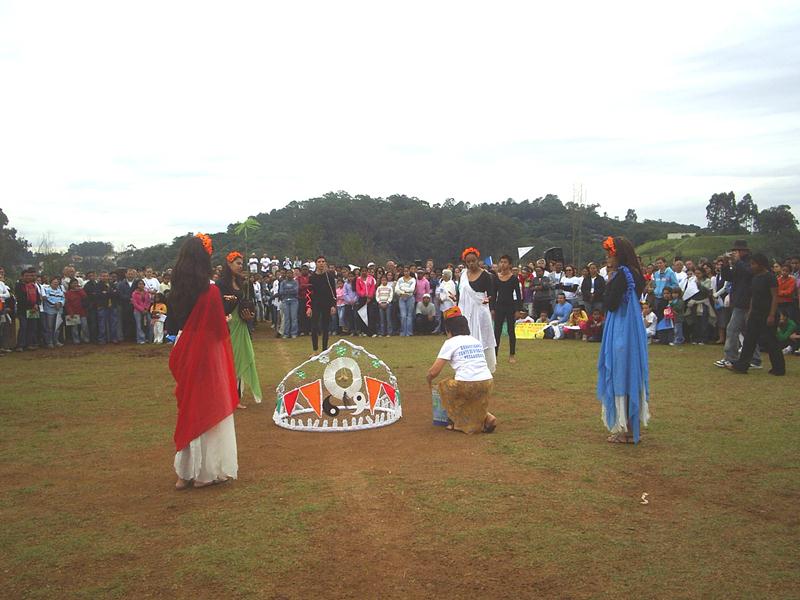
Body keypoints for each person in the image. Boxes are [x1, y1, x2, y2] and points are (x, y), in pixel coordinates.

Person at [167, 234, 239, 490]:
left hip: (185, 347)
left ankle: (184, 472)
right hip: (207, 350)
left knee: (189, 404)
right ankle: (205, 472)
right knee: (209, 405)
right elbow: (218, 330)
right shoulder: (209, 291)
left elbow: (178, 323)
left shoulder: (176, 288)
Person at [597, 236, 649, 444]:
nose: (608, 258)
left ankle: (624, 427)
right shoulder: (636, 274)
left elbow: (610, 303)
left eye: (610, 254)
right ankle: (630, 424)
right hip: (633, 325)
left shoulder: (620, 276)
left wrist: (608, 284)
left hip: (620, 325)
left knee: (619, 370)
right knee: (631, 370)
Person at [426, 306, 497, 434]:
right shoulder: (475, 340)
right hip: (487, 382)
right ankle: (487, 417)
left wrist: (429, 379)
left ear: (449, 329)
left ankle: (455, 422)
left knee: (444, 386)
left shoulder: (450, 342)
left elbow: (434, 372)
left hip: (467, 383)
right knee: (473, 399)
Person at [727, 253, 785, 376]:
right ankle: (742, 366)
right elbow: (753, 297)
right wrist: (750, 312)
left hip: (767, 313)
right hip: (755, 313)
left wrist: (772, 315)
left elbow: (775, 297)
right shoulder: (755, 278)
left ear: (761, 264)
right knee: (749, 340)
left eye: (754, 264)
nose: (751, 266)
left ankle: (779, 368)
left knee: (771, 341)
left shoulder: (770, 277)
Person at [217, 251, 262, 407]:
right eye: (237, 263)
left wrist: (249, 315)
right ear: (229, 264)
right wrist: (228, 301)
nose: (240, 266)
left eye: (241, 264)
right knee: (230, 361)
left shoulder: (242, 282)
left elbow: (246, 303)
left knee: (243, 357)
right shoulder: (221, 284)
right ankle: (226, 396)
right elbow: (218, 304)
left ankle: (236, 397)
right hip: (228, 325)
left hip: (241, 323)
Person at [715, 240, 761, 369]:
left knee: (732, 329)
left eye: (736, 251)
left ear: (744, 251)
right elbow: (729, 277)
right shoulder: (738, 264)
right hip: (739, 300)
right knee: (748, 332)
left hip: (746, 301)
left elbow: (749, 273)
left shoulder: (749, 262)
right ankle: (755, 359)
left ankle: (730, 358)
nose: (734, 253)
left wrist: (737, 262)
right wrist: (724, 265)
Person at [457, 247, 496, 373]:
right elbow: (461, 292)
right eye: (468, 262)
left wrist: (488, 301)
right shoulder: (463, 275)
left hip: (480, 310)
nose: (471, 264)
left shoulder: (486, 275)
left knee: (482, 337)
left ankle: (483, 366)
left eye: (473, 261)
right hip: (466, 311)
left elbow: (491, 294)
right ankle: (468, 364)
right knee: (467, 336)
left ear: (478, 260)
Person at [491, 255, 523, 363]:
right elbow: (493, 294)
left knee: (511, 331)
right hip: (499, 306)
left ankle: (512, 354)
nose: (502, 264)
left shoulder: (514, 278)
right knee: (497, 331)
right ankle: (494, 355)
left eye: (505, 262)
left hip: (510, 307)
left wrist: (518, 309)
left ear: (509, 264)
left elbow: (518, 295)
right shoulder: (496, 277)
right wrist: (492, 308)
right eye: (501, 262)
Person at [305, 255, 337, 353]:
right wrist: (309, 307)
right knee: (314, 327)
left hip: (327, 304)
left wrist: (333, 305)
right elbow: (308, 294)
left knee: (325, 328)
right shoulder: (312, 278)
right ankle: (315, 350)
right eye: (319, 262)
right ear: (316, 264)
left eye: (323, 261)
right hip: (315, 305)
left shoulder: (329, 277)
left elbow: (333, 293)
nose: (321, 263)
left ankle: (324, 351)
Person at [14, 268, 40, 351]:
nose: (28, 277)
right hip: (23, 310)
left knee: (32, 327)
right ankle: (20, 345)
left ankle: (29, 344)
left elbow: (38, 297)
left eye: (29, 276)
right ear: (22, 277)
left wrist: (36, 304)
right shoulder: (18, 286)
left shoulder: (33, 285)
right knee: (23, 327)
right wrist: (32, 305)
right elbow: (21, 298)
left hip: (33, 310)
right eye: (26, 276)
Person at [65, 279, 89, 344]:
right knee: (74, 328)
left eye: (76, 283)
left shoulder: (81, 290)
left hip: (82, 311)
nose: (75, 285)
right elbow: (67, 304)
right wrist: (70, 312)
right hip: (73, 312)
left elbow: (85, 297)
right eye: (73, 283)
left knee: (85, 326)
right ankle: (76, 339)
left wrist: (79, 290)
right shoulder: (68, 293)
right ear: (70, 284)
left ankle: (85, 338)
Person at [42, 276, 65, 348]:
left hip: (59, 311)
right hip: (49, 310)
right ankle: (49, 342)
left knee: (57, 327)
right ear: (51, 283)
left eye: (57, 283)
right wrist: (54, 304)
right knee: (49, 327)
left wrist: (60, 303)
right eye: (54, 283)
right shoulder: (46, 290)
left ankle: (56, 341)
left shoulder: (60, 290)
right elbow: (47, 298)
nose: (56, 284)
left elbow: (63, 298)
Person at [395, 266, 417, 337]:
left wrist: (403, 290)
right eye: (405, 271)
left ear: (409, 272)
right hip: (402, 298)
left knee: (409, 315)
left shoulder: (413, 279)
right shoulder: (400, 280)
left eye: (407, 271)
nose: (406, 272)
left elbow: (412, 289)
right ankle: (403, 332)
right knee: (403, 315)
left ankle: (409, 332)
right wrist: (402, 292)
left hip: (410, 298)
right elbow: (396, 290)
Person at [279, 268, 300, 338]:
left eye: (290, 273)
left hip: (294, 301)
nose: (289, 275)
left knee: (294, 317)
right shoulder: (283, 282)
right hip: (285, 301)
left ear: (293, 274)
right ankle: (286, 333)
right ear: (286, 274)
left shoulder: (295, 282)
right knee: (286, 318)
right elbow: (281, 292)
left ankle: (294, 333)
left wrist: (287, 290)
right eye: (288, 273)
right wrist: (290, 290)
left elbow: (296, 291)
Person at [131, 280, 152, 344]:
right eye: (140, 284)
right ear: (137, 285)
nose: (141, 285)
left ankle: (149, 338)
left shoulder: (146, 293)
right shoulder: (134, 293)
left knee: (149, 323)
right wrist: (142, 309)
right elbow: (135, 303)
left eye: (142, 284)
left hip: (146, 310)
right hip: (137, 311)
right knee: (139, 325)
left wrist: (146, 309)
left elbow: (148, 301)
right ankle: (140, 339)